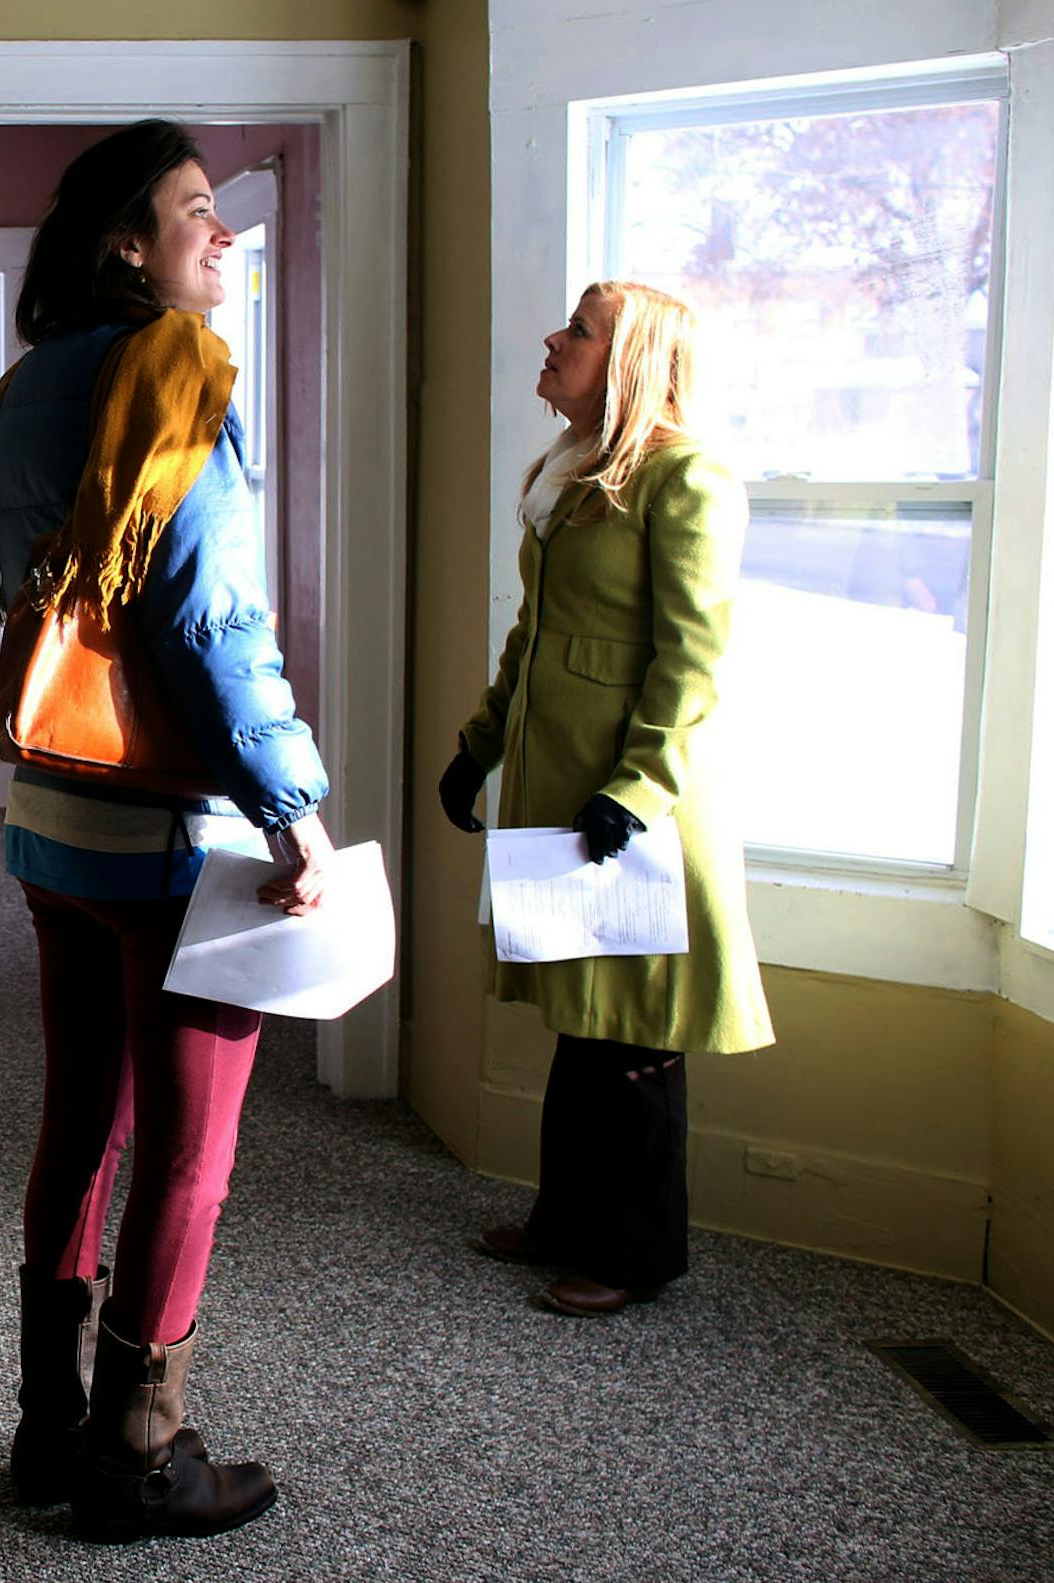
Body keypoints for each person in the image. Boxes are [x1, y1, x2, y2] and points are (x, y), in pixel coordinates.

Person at [0, 119, 333, 1543]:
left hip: (49, 822)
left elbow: (10, 591)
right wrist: (293, 807)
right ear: (129, 241)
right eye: (194, 212)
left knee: (77, 1122)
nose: (220, 236)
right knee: (189, 1148)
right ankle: (140, 1448)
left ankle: (47, 1424)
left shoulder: (20, 389)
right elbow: (208, 615)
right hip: (172, 838)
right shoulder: (172, 366)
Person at [437, 280, 774, 1318]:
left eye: (579, 330)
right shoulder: (572, 470)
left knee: (633, 1033)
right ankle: (564, 1218)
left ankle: (634, 1252)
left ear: (627, 357)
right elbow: (535, 636)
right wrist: (481, 743)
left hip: (637, 804)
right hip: (562, 788)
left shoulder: (688, 477)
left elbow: (696, 659)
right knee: (582, 1013)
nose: (552, 336)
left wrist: (635, 787)